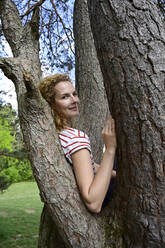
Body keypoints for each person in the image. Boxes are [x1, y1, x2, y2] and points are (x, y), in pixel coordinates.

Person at [39, 73, 117, 213]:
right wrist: (110, 148)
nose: (75, 100)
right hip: (100, 196)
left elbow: (86, 165)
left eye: (74, 94)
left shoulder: (55, 135)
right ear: (51, 104)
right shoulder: (75, 137)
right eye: (65, 97)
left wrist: (115, 174)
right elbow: (93, 202)